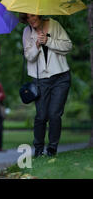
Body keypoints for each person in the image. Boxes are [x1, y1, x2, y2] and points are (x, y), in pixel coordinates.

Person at [20, 13, 72, 157]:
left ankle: (52, 149)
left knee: (55, 114)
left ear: (39, 14)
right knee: (41, 116)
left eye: (33, 16)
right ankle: (38, 149)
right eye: (28, 18)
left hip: (60, 77)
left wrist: (48, 41)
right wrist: (37, 45)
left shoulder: (54, 24)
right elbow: (28, 56)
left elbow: (68, 46)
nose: (31, 20)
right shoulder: (27, 31)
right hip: (40, 80)